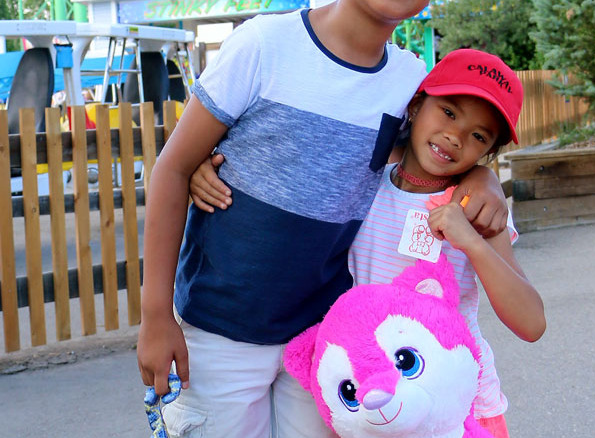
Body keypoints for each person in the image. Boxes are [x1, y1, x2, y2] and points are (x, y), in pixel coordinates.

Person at [138, 2, 509, 437]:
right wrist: (156, 316)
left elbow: (434, 155)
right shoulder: (264, 44)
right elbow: (173, 166)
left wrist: (484, 178)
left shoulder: (408, 81)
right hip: (221, 330)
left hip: (324, 339)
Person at [347, 48, 547, 438]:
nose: (454, 136)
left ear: (488, 153)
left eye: (477, 135)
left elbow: (531, 323)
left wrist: (472, 242)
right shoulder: (367, 181)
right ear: (417, 105)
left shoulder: (478, 210)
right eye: (449, 112)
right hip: (370, 398)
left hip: (458, 408)